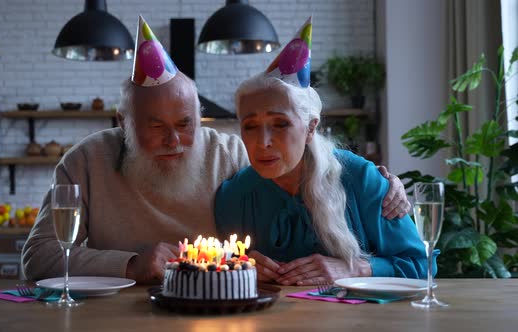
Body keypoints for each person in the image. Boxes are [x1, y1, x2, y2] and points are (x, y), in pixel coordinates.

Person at [22, 16, 410, 284]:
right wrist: (130, 265)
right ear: (123, 123)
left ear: (201, 117)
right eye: (154, 127)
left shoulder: (235, 158)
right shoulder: (84, 162)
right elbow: (37, 257)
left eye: (185, 124)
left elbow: (299, 169)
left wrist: (385, 184)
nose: (173, 141)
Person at [215, 18, 430, 286]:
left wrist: (357, 269)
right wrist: (237, 267)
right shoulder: (233, 197)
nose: (263, 142)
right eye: (250, 127)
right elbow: (215, 266)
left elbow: (421, 265)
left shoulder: (361, 179)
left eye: (280, 124)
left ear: (310, 128)